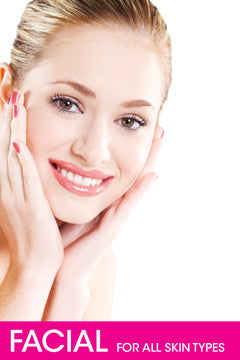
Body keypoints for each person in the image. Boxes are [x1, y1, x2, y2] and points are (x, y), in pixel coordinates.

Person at [0, 0, 172, 321]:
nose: (94, 151)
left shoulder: (90, 263)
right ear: (7, 91)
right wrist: (31, 272)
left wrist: (68, 289)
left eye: (130, 121)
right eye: (67, 103)